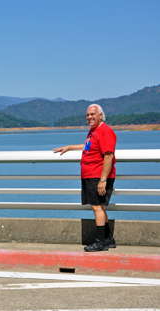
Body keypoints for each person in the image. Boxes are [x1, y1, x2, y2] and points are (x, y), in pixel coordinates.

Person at [53, 104, 117, 252]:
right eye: (88, 115)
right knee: (99, 206)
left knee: (97, 207)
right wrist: (69, 147)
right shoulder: (94, 131)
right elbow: (88, 145)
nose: (90, 117)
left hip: (98, 175)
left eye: (93, 114)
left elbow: (108, 155)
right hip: (91, 174)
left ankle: (100, 242)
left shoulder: (105, 131)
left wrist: (103, 180)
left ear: (101, 115)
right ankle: (108, 239)